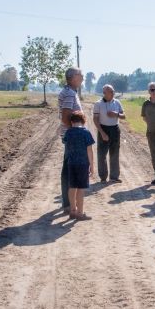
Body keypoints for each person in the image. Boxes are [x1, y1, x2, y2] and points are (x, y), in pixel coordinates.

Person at [59, 67, 83, 214]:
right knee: (69, 170)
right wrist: (75, 134)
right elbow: (66, 116)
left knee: (67, 168)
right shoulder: (69, 93)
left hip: (70, 134)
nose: (83, 78)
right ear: (73, 77)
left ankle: (68, 202)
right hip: (72, 136)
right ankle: (68, 204)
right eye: (81, 75)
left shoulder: (71, 92)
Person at [62, 111, 95, 221]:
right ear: (83, 121)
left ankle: (72, 211)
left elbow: (64, 141)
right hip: (83, 164)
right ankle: (80, 213)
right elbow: (90, 151)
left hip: (71, 163)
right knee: (81, 189)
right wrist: (92, 165)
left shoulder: (68, 132)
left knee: (72, 187)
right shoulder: (86, 132)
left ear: (72, 122)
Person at [93, 84, 126, 183]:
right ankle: (103, 177)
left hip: (115, 129)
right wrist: (102, 133)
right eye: (111, 91)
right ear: (104, 93)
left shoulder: (117, 102)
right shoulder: (98, 104)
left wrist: (116, 114)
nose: (113, 93)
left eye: (113, 91)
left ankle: (114, 177)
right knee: (102, 154)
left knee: (114, 153)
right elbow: (95, 119)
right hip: (103, 128)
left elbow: (124, 116)